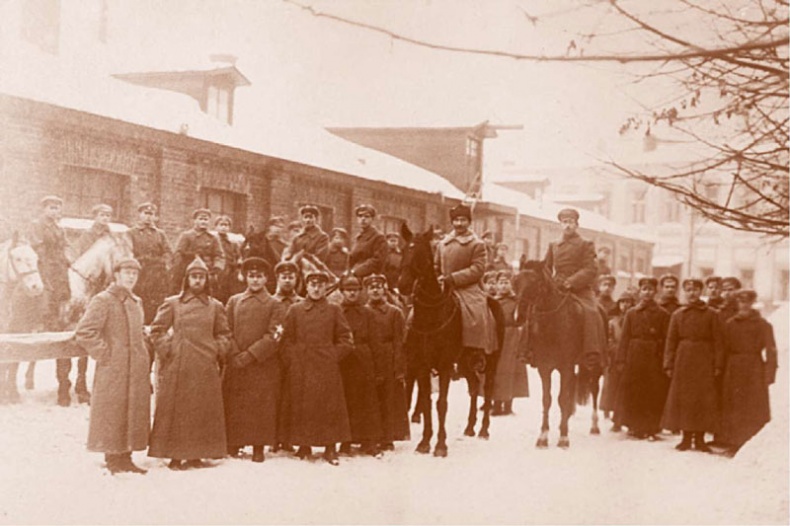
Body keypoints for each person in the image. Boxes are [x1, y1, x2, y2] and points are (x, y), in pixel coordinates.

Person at [148, 256, 231, 470]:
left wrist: (217, 350)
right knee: (178, 410)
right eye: (194, 277)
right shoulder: (173, 303)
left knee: (202, 409)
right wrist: (170, 349)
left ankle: (197, 454)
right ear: (187, 279)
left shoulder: (215, 306)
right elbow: (157, 330)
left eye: (201, 277)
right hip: (179, 364)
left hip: (205, 366)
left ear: (206, 280)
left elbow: (224, 334)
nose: (197, 281)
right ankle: (175, 455)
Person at [74, 258, 150, 475]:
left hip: (134, 367)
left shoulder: (137, 301)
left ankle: (126, 456)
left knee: (132, 409)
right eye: (126, 272)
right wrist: (104, 354)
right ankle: (112, 457)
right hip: (113, 367)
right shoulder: (103, 300)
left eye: (134, 273)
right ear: (116, 274)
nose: (131, 277)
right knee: (113, 411)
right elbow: (85, 332)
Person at [280, 271, 353, 465]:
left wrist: (331, 357)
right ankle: (304, 445)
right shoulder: (296, 310)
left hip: (326, 366)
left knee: (329, 406)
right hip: (301, 366)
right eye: (312, 284)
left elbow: (346, 340)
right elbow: (286, 339)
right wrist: (293, 360)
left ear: (325, 288)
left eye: (321, 285)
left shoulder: (334, 310)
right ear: (306, 286)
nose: (316, 288)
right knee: (303, 406)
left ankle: (330, 447)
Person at [223, 257, 286, 463]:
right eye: (252, 276)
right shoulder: (234, 301)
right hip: (236, 361)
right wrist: (234, 354)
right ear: (245, 277)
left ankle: (258, 445)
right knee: (237, 402)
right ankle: (235, 442)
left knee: (260, 404)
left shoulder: (275, 304)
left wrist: (250, 355)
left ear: (266, 279)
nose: (255, 280)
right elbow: (225, 330)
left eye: (259, 276)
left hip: (262, 363)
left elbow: (275, 334)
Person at [661, 278, 724, 452]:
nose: (692, 293)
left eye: (696, 289)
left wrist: (718, 364)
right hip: (684, 360)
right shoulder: (678, 315)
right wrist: (669, 363)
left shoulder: (711, 314)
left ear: (700, 292)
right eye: (688, 289)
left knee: (703, 399)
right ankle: (686, 438)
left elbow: (718, 341)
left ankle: (701, 439)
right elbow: (671, 341)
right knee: (685, 399)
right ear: (684, 292)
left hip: (704, 360)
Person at [543, 208, 606, 375]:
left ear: (576, 224)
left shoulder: (586, 244)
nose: (568, 225)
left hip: (579, 289)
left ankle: (591, 352)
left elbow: (590, 269)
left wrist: (571, 282)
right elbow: (546, 268)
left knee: (591, 311)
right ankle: (528, 349)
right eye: (564, 221)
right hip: (557, 288)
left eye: (571, 221)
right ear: (560, 224)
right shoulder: (554, 245)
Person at [29, 195, 77, 406]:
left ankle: (63, 318)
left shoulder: (60, 227)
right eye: (51, 207)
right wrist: (48, 263)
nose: (54, 210)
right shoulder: (36, 225)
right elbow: (38, 249)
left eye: (57, 207)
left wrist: (68, 258)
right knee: (44, 293)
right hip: (43, 265)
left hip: (59, 268)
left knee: (67, 294)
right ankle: (41, 321)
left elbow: (66, 246)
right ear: (44, 208)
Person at [721, 289, 778, 455]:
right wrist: (721, 369)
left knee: (752, 405)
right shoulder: (730, 324)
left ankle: (751, 443)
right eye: (740, 301)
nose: (744, 304)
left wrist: (769, 373)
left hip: (754, 368)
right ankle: (733, 443)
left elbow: (771, 351)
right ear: (737, 303)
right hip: (734, 367)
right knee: (734, 404)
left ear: (753, 302)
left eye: (747, 301)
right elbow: (723, 349)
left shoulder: (763, 325)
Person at [615, 277, 670, 441]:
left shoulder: (662, 314)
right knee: (635, 390)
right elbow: (625, 338)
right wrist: (621, 360)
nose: (648, 293)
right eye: (644, 289)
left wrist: (664, 359)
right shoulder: (632, 313)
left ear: (656, 292)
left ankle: (651, 427)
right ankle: (635, 426)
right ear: (640, 292)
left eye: (651, 290)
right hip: (635, 354)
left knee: (652, 391)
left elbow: (666, 338)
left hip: (654, 355)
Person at [337, 274, 384, 457]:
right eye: (348, 290)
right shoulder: (337, 311)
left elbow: (376, 342)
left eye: (355, 290)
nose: (352, 294)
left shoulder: (368, 313)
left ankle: (369, 441)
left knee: (367, 401)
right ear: (342, 292)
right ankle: (346, 440)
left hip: (364, 360)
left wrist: (378, 368)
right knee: (346, 400)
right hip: (344, 360)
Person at [365, 273, 410, 451]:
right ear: (366, 291)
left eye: (378, 287)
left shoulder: (394, 312)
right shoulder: (362, 311)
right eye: (371, 287)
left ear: (384, 289)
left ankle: (388, 436)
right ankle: (371, 435)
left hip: (388, 357)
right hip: (369, 358)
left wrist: (399, 366)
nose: (375, 290)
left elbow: (401, 341)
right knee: (371, 399)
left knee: (389, 398)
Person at [490, 270, 528, 416]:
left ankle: (508, 404)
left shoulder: (516, 301)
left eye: (506, 282)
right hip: (496, 336)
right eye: (501, 283)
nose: (504, 286)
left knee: (510, 369)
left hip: (512, 337)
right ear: (497, 285)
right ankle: (496, 404)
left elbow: (522, 319)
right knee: (497, 369)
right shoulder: (493, 301)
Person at [129, 202, 172, 324]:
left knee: (155, 304)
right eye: (145, 213)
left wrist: (163, 264)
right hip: (139, 275)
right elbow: (127, 253)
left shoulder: (160, 234)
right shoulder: (131, 233)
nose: (148, 217)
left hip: (156, 277)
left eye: (151, 214)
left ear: (155, 217)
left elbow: (168, 252)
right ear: (139, 215)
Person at [600, 290, 636, 430]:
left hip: (631, 358)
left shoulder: (635, 319)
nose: (625, 305)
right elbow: (608, 339)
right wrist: (614, 351)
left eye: (628, 302)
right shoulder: (613, 322)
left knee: (628, 390)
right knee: (613, 388)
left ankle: (627, 420)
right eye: (622, 302)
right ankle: (615, 420)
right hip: (615, 359)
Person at [170, 209, 224, 295]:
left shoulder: (213, 238)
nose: (203, 222)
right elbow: (178, 253)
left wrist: (217, 267)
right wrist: (178, 270)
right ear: (194, 221)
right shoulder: (186, 236)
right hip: (189, 271)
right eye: (201, 219)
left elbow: (219, 255)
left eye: (206, 219)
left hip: (208, 271)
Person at [348, 204, 387, 280]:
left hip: (369, 278)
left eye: (367, 216)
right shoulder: (359, 237)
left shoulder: (378, 237)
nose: (363, 219)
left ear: (372, 219)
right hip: (355, 276)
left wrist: (356, 271)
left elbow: (377, 261)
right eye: (360, 216)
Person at [214, 215, 243, 304]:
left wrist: (239, 264)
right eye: (221, 225)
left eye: (226, 225)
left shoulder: (233, 243)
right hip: (218, 272)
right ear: (216, 227)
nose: (223, 227)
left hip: (232, 272)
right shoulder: (213, 241)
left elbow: (239, 257)